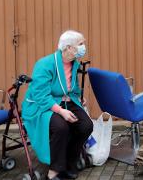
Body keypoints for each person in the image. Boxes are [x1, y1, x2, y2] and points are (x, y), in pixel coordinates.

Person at [22, 30, 94, 180]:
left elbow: (70, 87)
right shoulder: (45, 64)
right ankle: (54, 170)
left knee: (86, 125)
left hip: (66, 101)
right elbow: (40, 95)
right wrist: (61, 111)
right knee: (61, 127)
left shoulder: (74, 63)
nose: (84, 47)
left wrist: (79, 98)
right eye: (80, 44)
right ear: (68, 48)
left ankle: (69, 161)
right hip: (41, 105)